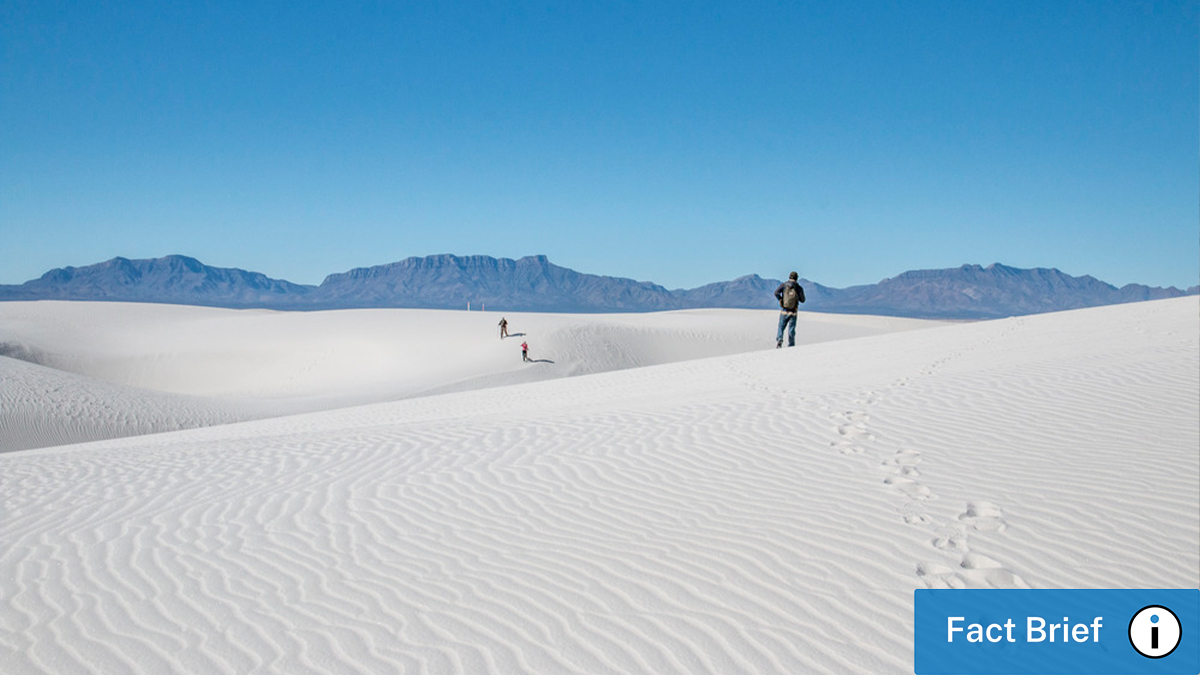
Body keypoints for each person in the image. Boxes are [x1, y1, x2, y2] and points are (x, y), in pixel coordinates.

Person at [774, 271, 806, 348]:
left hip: (784, 310)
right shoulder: (798, 287)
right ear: (796, 278)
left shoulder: (784, 285)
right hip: (793, 312)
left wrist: (780, 299)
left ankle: (779, 340)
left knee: (781, 327)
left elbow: (776, 293)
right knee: (791, 329)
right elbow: (803, 300)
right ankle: (791, 345)